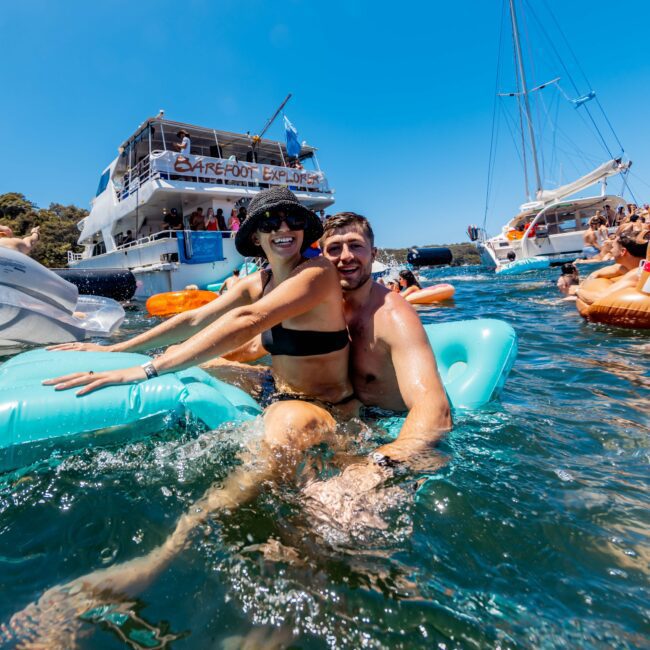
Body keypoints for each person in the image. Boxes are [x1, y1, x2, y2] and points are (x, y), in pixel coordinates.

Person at [576, 235, 647, 309]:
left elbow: (599, 299)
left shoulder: (637, 274)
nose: (611, 250)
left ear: (623, 251)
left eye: (613, 247)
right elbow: (600, 272)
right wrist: (587, 281)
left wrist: (577, 290)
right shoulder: (626, 267)